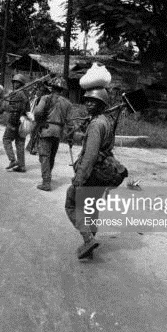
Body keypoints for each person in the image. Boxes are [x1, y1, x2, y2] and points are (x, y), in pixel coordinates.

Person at [64, 88, 112, 260]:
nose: (89, 103)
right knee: (91, 208)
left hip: (91, 172)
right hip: (102, 172)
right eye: (87, 101)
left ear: (101, 104)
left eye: (94, 101)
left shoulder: (96, 124)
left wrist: (79, 178)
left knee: (71, 203)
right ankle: (89, 247)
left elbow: (90, 155)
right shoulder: (105, 121)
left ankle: (88, 239)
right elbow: (94, 143)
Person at [33, 77, 73, 191]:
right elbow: (70, 123)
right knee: (51, 156)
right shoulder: (68, 103)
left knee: (44, 155)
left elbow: (38, 112)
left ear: (52, 87)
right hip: (58, 132)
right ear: (62, 89)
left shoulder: (46, 98)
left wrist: (39, 122)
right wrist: (70, 137)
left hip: (46, 129)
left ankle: (46, 182)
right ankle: (48, 176)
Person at [2, 74, 30, 172]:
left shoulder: (17, 94)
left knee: (6, 139)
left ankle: (12, 159)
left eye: (16, 82)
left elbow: (14, 109)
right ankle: (21, 165)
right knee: (20, 143)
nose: (14, 84)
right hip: (23, 121)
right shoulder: (26, 94)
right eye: (14, 82)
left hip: (14, 121)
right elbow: (28, 109)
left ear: (20, 83)